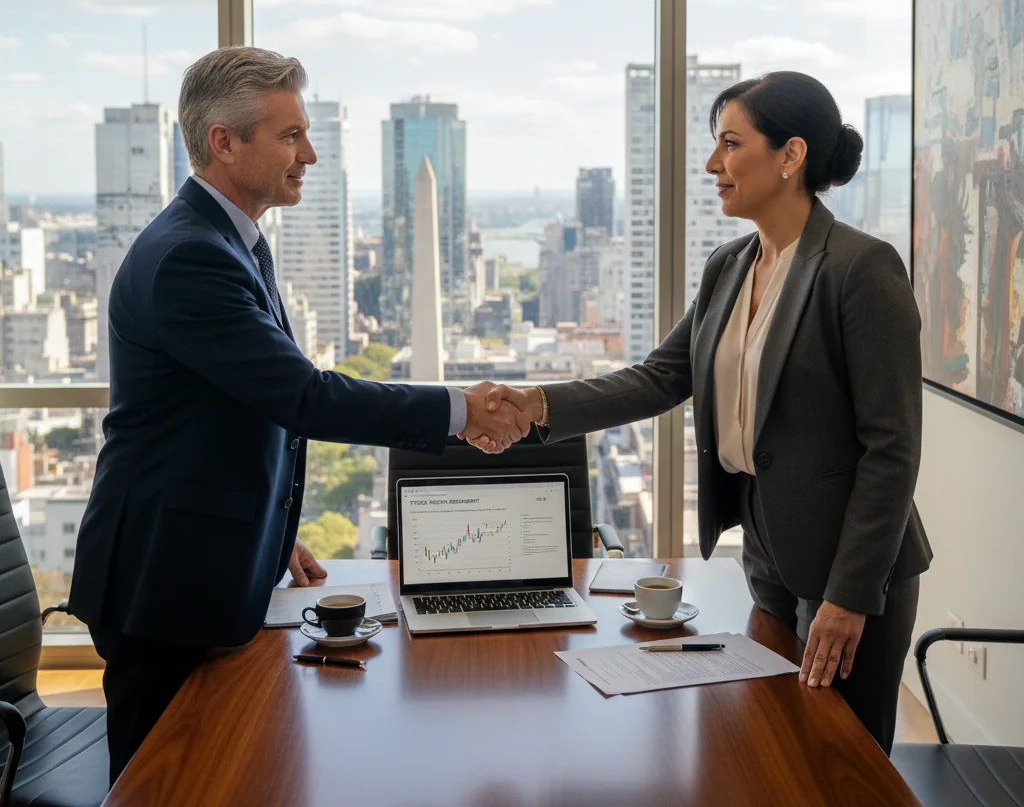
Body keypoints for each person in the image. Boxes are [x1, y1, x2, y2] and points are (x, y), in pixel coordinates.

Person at [69, 46, 530, 784]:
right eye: (290, 136)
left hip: (198, 558)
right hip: (165, 580)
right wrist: (460, 408)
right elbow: (302, 397)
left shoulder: (229, 239)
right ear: (225, 142)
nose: (309, 154)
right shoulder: (192, 256)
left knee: (235, 774)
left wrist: (268, 534)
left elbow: (226, 411)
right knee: (169, 786)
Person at [471, 71, 932, 755]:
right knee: (773, 748)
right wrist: (538, 404)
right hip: (770, 557)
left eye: (730, 144)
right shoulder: (730, 265)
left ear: (791, 155)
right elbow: (661, 378)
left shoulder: (861, 270)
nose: (713, 164)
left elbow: (892, 448)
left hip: (851, 568)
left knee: (843, 765)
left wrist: (851, 595)